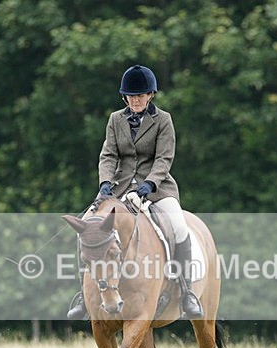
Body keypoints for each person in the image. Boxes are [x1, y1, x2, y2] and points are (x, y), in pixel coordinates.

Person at [67, 64, 203, 320]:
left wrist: (148, 185)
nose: (135, 100)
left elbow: (164, 158)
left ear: (150, 95)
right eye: (131, 96)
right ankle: (83, 295)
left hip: (157, 188)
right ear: (124, 97)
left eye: (140, 95)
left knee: (179, 226)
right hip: (118, 188)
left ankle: (187, 293)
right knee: (86, 226)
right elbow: (108, 154)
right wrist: (105, 183)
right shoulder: (115, 119)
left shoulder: (163, 120)